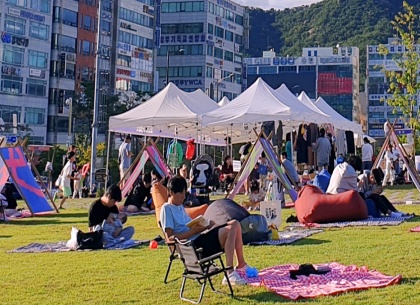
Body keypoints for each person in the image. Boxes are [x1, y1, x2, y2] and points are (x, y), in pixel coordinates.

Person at [160, 176, 248, 285]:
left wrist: (205, 225)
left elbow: (189, 225)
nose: (183, 197)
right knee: (230, 230)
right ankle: (229, 273)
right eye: (181, 193)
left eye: (184, 193)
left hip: (199, 238)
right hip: (193, 247)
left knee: (235, 223)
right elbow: (170, 239)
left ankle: (241, 264)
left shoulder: (179, 207)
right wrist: (193, 231)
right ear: (171, 192)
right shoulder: (167, 209)